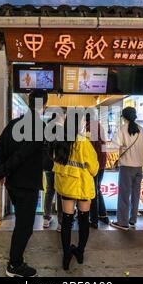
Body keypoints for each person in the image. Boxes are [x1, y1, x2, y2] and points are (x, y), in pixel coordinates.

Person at [0, 90, 48, 277]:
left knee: (21, 223)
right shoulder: (39, 127)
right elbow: (24, 154)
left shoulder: (14, 124)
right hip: (27, 185)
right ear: (44, 106)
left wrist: (2, 171)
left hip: (13, 185)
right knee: (25, 226)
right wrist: (1, 171)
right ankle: (15, 264)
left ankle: (16, 260)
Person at [51, 113, 99, 270]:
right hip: (83, 187)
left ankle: (66, 257)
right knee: (84, 220)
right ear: (79, 125)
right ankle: (80, 253)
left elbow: (56, 163)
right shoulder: (84, 143)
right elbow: (94, 168)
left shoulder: (59, 141)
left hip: (67, 187)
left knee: (66, 221)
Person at [109, 107, 143, 231]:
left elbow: (114, 146)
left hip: (127, 167)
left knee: (124, 195)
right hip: (139, 167)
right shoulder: (141, 130)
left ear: (124, 117)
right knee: (136, 194)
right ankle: (132, 220)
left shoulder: (122, 129)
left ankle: (122, 222)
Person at [85, 113, 109, 229]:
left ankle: (94, 220)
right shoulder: (100, 126)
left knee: (93, 191)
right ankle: (103, 215)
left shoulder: (91, 128)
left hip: (95, 164)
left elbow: (91, 148)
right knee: (97, 189)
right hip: (102, 163)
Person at [43, 112, 64, 232]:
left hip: (48, 164)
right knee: (60, 192)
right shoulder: (62, 130)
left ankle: (46, 218)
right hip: (59, 165)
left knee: (50, 189)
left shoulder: (47, 129)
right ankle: (61, 222)